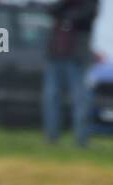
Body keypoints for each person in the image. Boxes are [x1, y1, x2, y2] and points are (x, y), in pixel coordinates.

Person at [42, 0, 99, 147]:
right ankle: (51, 138)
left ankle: (81, 139)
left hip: (76, 56)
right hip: (55, 53)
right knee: (51, 97)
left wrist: (65, 15)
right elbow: (49, 9)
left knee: (80, 99)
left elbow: (84, 17)